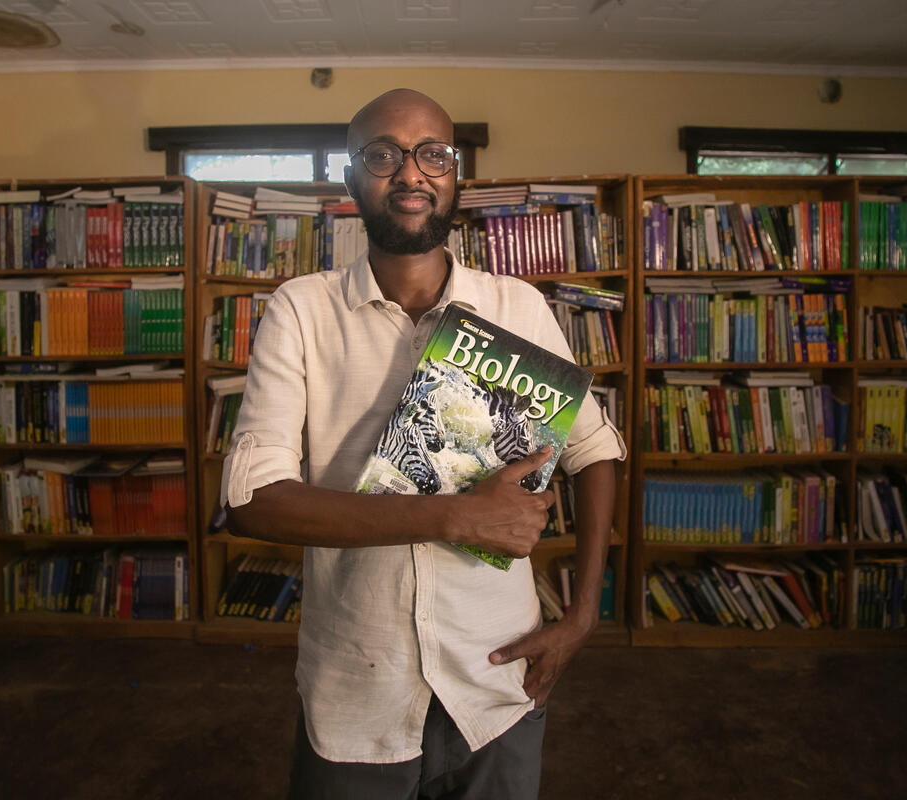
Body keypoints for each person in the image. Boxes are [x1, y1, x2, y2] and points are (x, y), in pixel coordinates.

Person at [220, 88, 626, 800]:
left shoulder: (517, 306)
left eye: (432, 154)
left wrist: (584, 614)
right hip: (357, 686)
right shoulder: (301, 309)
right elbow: (253, 502)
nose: (411, 173)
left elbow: (594, 449)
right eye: (383, 154)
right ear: (350, 175)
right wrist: (453, 515)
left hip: (497, 678)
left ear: (455, 172)